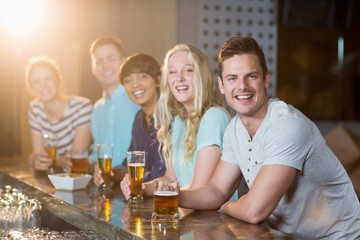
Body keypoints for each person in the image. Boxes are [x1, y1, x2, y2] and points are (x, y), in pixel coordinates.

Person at [178, 36, 360, 239]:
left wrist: (228, 206)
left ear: (266, 79)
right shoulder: (234, 129)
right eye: (232, 78)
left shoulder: (286, 125)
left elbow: (254, 211)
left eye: (251, 76)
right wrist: (173, 196)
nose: (242, 86)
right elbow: (217, 190)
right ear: (221, 85)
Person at [121, 44, 233, 198]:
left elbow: (198, 190)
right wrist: (141, 187)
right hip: (185, 215)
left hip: (211, 220)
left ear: (202, 75)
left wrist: (162, 196)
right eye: (172, 72)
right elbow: (170, 178)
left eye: (188, 70)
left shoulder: (214, 117)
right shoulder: (180, 121)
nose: (179, 78)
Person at [93, 53, 166, 186]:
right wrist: (110, 173)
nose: (135, 85)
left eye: (142, 76)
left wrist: (134, 181)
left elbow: (162, 173)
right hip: (143, 195)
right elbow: (129, 163)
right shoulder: (139, 118)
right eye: (128, 80)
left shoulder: (169, 116)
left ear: (158, 80)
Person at [26, 56, 92, 172]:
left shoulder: (82, 106)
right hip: (53, 178)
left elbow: (76, 159)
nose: (43, 85)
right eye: (37, 81)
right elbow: (38, 154)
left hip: (81, 177)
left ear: (58, 79)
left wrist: (52, 161)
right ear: (31, 88)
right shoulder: (35, 108)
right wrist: (37, 160)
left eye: (48, 78)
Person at [89, 36, 140, 175]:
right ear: (92, 68)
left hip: (137, 186)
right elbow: (95, 154)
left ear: (124, 62)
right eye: (99, 61)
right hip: (106, 186)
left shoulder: (138, 99)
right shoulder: (97, 109)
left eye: (111, 59)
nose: (105, 66)